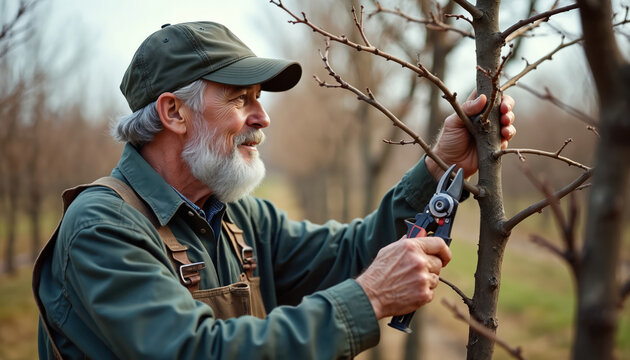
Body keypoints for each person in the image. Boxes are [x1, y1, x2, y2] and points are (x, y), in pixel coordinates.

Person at [33, 21, 516, 359]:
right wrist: (368, 300)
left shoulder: (239, 219)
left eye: (259, 101)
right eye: (241, 99)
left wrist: (441, 165)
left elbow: (349, 254)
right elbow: (194, 352)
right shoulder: (103, 228)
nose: (263, 118)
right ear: (173, 113)